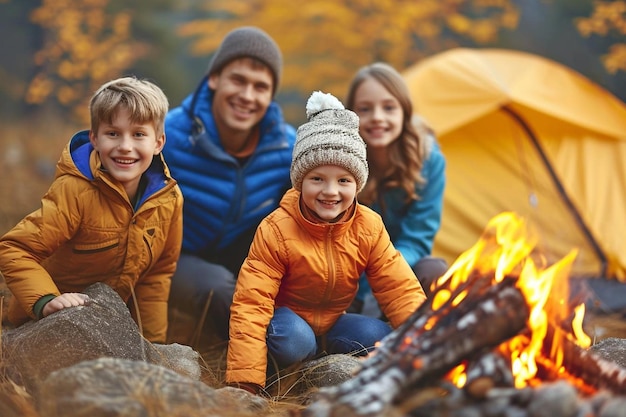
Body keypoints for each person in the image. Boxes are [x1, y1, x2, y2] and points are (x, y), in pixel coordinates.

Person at [225, 91, 427, 394]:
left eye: (343, 180)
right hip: (287, 320)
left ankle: (324, 363)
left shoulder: (368, 226)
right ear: (300, 181)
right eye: (317, 179)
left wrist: (426, 346)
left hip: (334, 321)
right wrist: (245, 380)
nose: (330, 191)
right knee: (294, 340)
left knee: (379, 336)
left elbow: (399, 287)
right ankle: (287, 371)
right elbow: (252, 302)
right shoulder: (277, 229)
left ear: (357, 185)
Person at [0, 76, 183, 343]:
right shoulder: (75, 191)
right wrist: (46, 300)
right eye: (113, 133)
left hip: (107, 323)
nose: (125, 146)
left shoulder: (169, 199)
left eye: (139, 134)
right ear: (95, 138)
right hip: (44, 318)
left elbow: (157, 275)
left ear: (158, 143)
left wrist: (152, 346)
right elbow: (14, 248)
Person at [163, 26, 296, 342]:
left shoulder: (286, 147)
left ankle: (299, 338)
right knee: (217, 287)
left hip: (243, 257)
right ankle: (252, 348)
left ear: (271, 95)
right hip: (175, 258)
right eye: (238, 80)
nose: (247, 96)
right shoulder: (168, 133)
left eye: (260, 87)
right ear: (214, 79)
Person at [345, 62, 447, 313]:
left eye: (388, 107)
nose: (377, 117)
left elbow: (417, 238)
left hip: (401, 270)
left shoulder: (429, 161)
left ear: (404, 111)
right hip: (350, 279)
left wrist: (384, 276)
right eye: (365, 109)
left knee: (434, 270)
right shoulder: (342, 160)